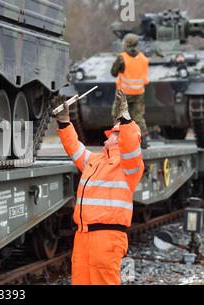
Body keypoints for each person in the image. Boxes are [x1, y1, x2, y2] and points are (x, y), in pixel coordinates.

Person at [52, 90, 144, 285]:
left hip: (107, 238)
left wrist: (125, 119)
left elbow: (131, 145)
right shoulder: (95, 161)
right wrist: (64, 122)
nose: (105, 139)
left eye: (111, 135)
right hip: (83, 236)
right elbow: (74, 148)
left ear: (120, 138)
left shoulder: (129, 166)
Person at [111, 33, 150, 149]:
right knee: (138, 117)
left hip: (124, 93)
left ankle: (118, 140)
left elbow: (113, 72)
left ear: (126, 44)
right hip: (139, 93)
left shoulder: (122, 57)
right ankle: (144, 140)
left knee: (118, 115)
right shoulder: (144, 58)